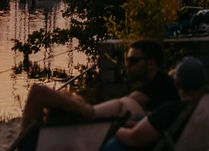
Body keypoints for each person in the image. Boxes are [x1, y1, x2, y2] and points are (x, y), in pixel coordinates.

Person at [21, 39, 177, 128]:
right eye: (126, 60)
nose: (127, 65)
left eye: (133, 61)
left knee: (40, 94)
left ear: (151, 64)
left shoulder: (159, 86)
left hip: (93, 121)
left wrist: (87, 111)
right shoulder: (165, 84)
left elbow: (128, 103)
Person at [97, 57, 208, 151]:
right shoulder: (206, 108)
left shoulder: (171, 111)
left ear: (176, 83)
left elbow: (131, 139)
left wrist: (111, 127)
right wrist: (130, 124)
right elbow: (157, 128)